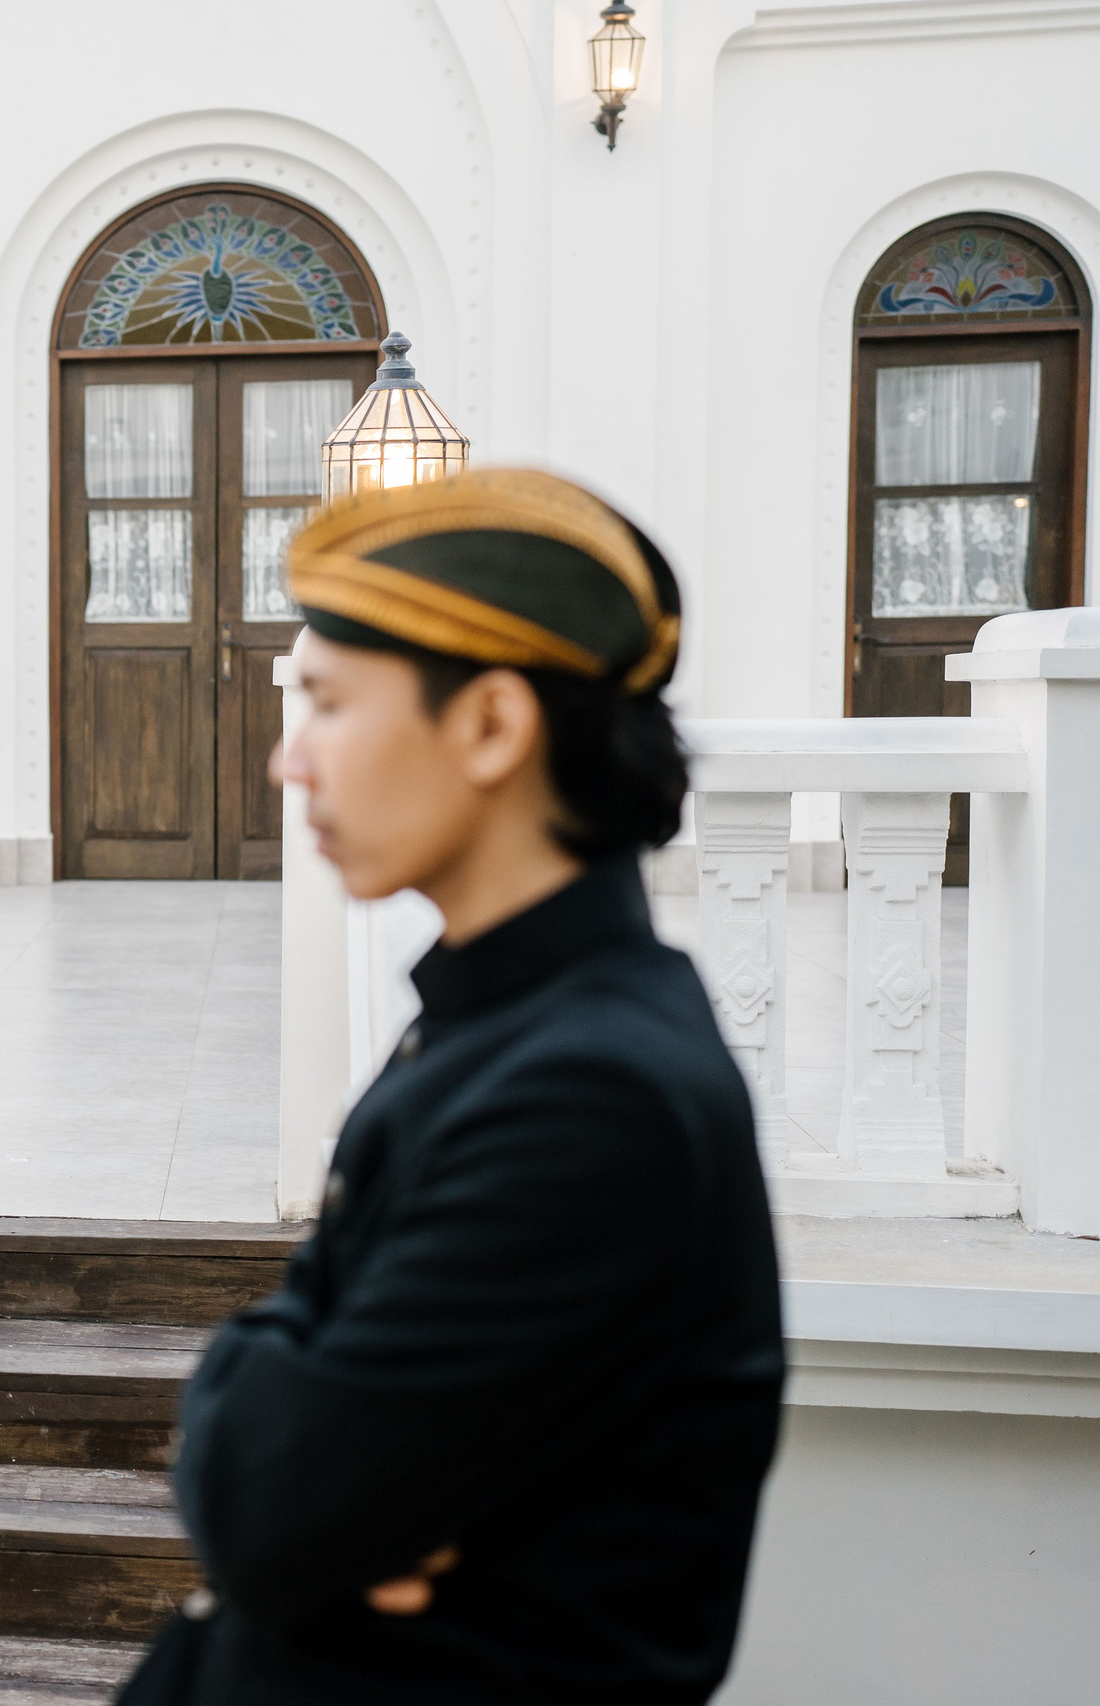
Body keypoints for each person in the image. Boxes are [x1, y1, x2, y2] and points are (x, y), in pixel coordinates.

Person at [124, 469, 784, 1704]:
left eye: (324, 703)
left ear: (489, 725)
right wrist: (312, 1421)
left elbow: (265, 1508)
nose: (286, 761)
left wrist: (276, 1403)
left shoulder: (589, 1096)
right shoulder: (509, 1019)